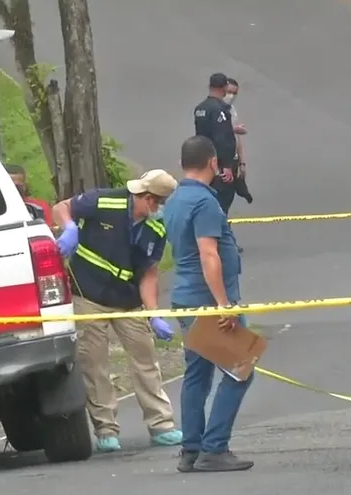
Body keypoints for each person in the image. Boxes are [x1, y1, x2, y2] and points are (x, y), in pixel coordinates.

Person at [52, 170, 184, 452]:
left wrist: (153, 313)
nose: (159, 209)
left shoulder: (156, 229)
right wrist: (69, 228)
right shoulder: (104, 201)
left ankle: (161, 424)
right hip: (88, 294)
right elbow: (61, 207)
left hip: (128, 300)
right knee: (94, 364)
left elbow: (149, 274)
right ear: (147, 198)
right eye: (158, 203)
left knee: (145, 359)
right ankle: (106, 429)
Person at [162, 136, 254, 473]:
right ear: (213, 162)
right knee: (241, 370)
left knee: (197, 374)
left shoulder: (175, 199)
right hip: (207, 301)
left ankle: (191, 448)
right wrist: (223, 305)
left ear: (182, 163)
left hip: (185, 298)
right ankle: (214, 447)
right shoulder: (205, 202)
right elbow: (208, 254)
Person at [194, 73, 242, 216]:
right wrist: (227, 165)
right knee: (221, 205)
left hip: (204, 162)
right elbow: (223, 138)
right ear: (225, 87)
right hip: (219, 167)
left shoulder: (200, 108)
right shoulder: (220, 110)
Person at [225, 77, 253, 205]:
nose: (231, 96)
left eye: (234, 93)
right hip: (221, 163)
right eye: (229, 92)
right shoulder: (214, 111)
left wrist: (242, 163)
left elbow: (237, 138)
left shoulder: (232, 110)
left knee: (229, 197)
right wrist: (233, 128)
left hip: (234, 161)